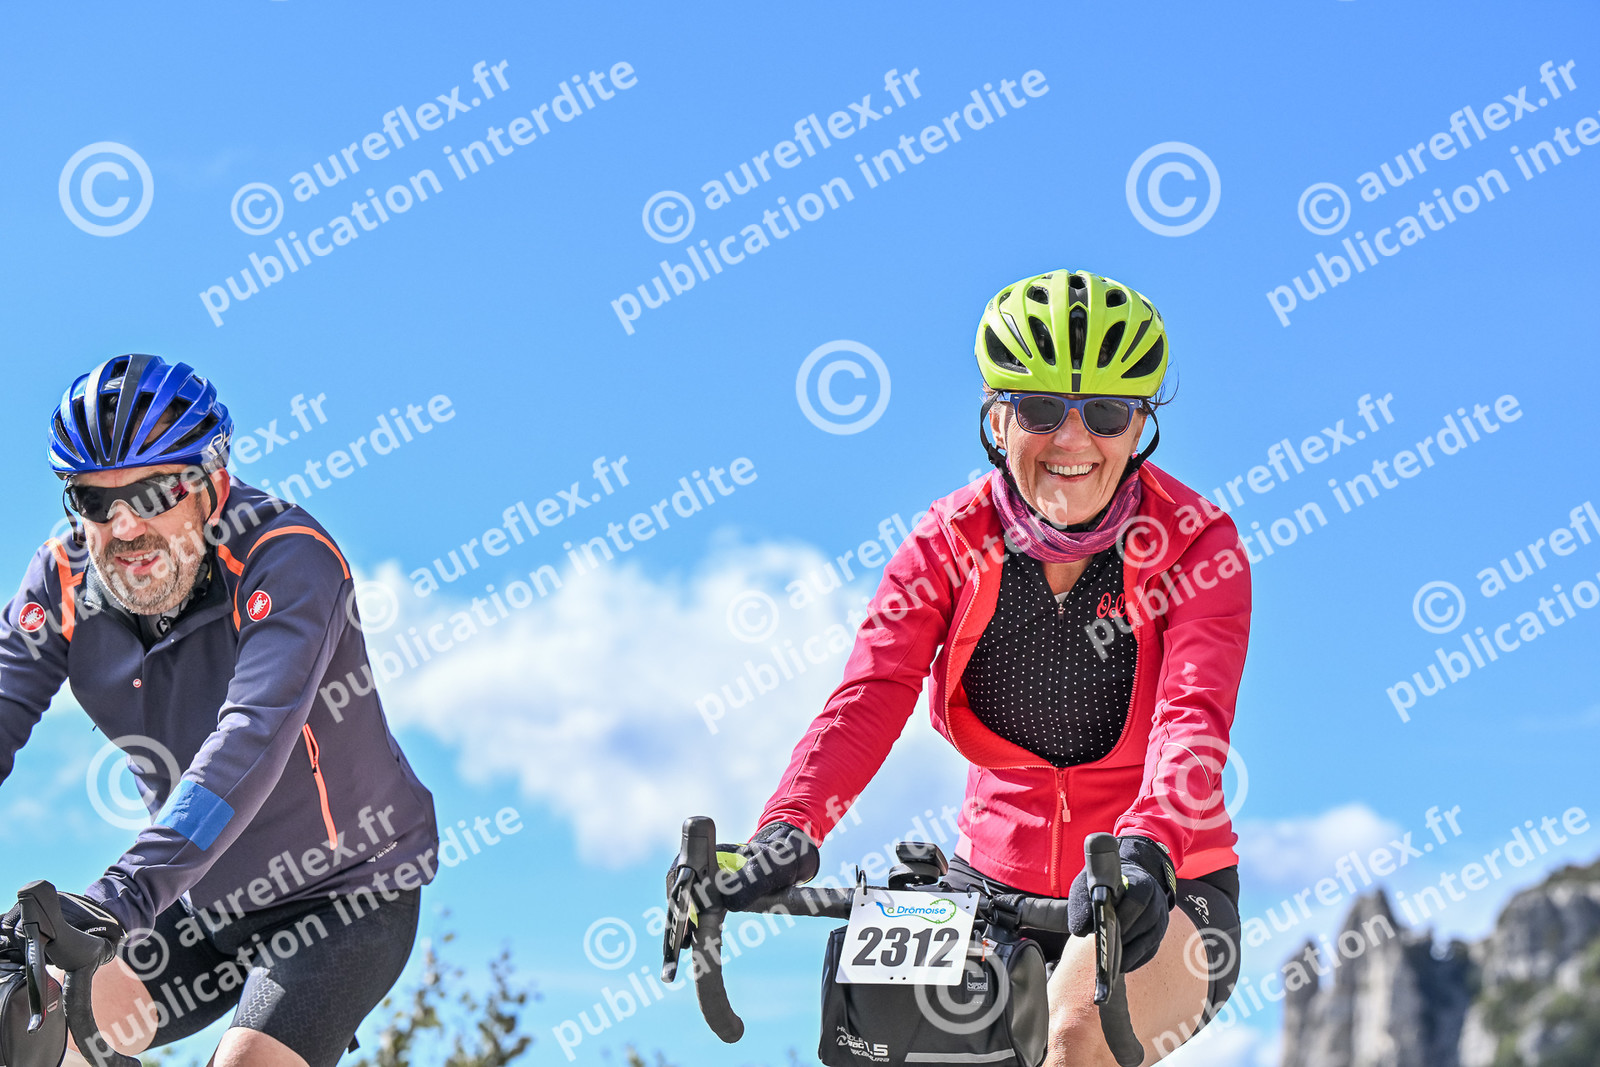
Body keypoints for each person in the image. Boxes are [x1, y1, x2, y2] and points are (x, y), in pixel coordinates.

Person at [714, 271, 1250, 1063]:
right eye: (1040, 409)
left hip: (1155, 883)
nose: (1073, 440)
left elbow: (1191, 717)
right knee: (878, 1045)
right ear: (997, 417)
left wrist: (1149, 845)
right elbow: (872, 692)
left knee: (1072, 1039)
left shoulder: (1199, 542)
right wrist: (787, 828)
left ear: (1140, 425)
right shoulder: (947, 539)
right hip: (988, 881)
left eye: (1106, 413)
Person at [0, 355, 440, 1067]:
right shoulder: (62, 579)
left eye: (152, 493)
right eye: (93, 501)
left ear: (212, 481)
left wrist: (119, 897)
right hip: (194, 898)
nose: (123, 528)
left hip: (342, 894)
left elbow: (249, 741)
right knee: (26, 1031)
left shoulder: (287, 559)